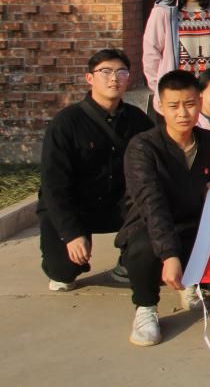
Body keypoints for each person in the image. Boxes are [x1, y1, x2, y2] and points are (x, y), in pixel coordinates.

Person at [116, 70, 210, 346]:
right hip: (150, 224)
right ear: (160, 106)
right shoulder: (142, 147)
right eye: (173, 106)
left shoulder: (209, 142)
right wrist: (170, 255)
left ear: (200, 103)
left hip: (192, 224)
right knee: (142, 249)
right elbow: (151, 203)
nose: (183, 113)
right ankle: (145, 307)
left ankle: (190, 284)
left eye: (189, 104)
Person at [37, 50, 153, 292]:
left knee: (152, 207)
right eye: (106, 72)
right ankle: (66, 262)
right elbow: (53, 185)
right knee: (63, 273)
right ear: (89, 78)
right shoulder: (66, 123)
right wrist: (71, 233)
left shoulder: (138, 121)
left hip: (120, 204)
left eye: (121, 72)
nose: (114, 78)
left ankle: (129, 260)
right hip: (76, 204)